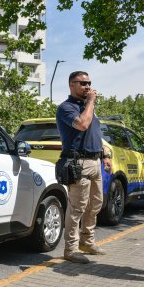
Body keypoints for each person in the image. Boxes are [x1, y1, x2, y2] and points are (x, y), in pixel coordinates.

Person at [56, 71, 112, 264]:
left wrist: (105, 154)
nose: (88, 87)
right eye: (83, 83)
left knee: (95, 205)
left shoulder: (88, 107)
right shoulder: (66, 108)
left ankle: (87, 242)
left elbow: (95, 133)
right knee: (77, 208)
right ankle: (70, 249)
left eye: (89, 83)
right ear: (72, 85)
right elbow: (82, 124)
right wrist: (90, 102)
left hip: (95, 162)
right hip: (78, 163)